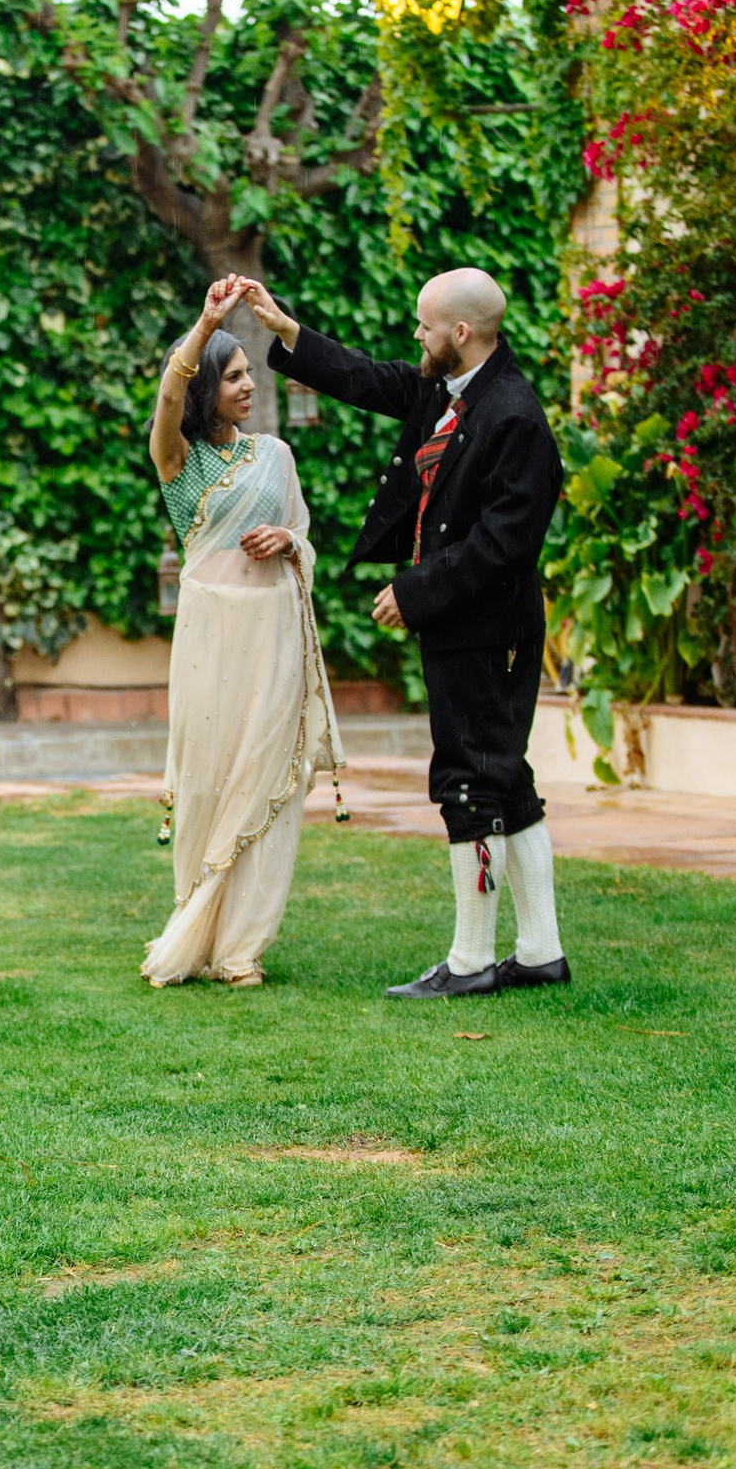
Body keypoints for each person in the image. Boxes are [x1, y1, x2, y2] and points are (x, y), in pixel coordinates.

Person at [236, 269, 570, 998]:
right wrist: (285, 329)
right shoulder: (450, 392)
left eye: (424, 326)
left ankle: (471, 962)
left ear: (460, 333)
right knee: (504, 778)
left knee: (471, 780)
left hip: (489, 627)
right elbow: (368, 378)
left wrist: (414, 593)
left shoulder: (514, 417)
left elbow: (503, 543)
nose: (414, 337)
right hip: (468, 624)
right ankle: (540, 952)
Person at [140, 278, 344, 988]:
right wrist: (204, 325)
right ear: (206, 391)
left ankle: (240, 948)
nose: (250, 385)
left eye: (250, 372)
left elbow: (306, 537)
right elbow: (167, 400)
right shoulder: (181, 462)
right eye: (234, 377)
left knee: (267, 782)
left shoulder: (276, 457)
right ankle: (195, 921)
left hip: (272, 640)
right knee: (205, 781)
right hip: (208, 640)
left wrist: (287, 540)